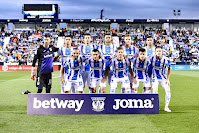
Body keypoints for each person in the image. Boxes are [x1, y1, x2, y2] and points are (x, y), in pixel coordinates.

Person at [151, 46, 171, 112]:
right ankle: (156, 106)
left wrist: (167, 79)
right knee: (155, 90)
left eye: (160, 51)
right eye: (157, 51)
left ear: (162, 52)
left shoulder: (166, 59)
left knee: (168, 91)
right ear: (155, 52)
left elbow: (169, 68)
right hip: (154, 77)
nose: (158, 52)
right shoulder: (151, 58)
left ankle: (166, 107)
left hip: (163, 78)